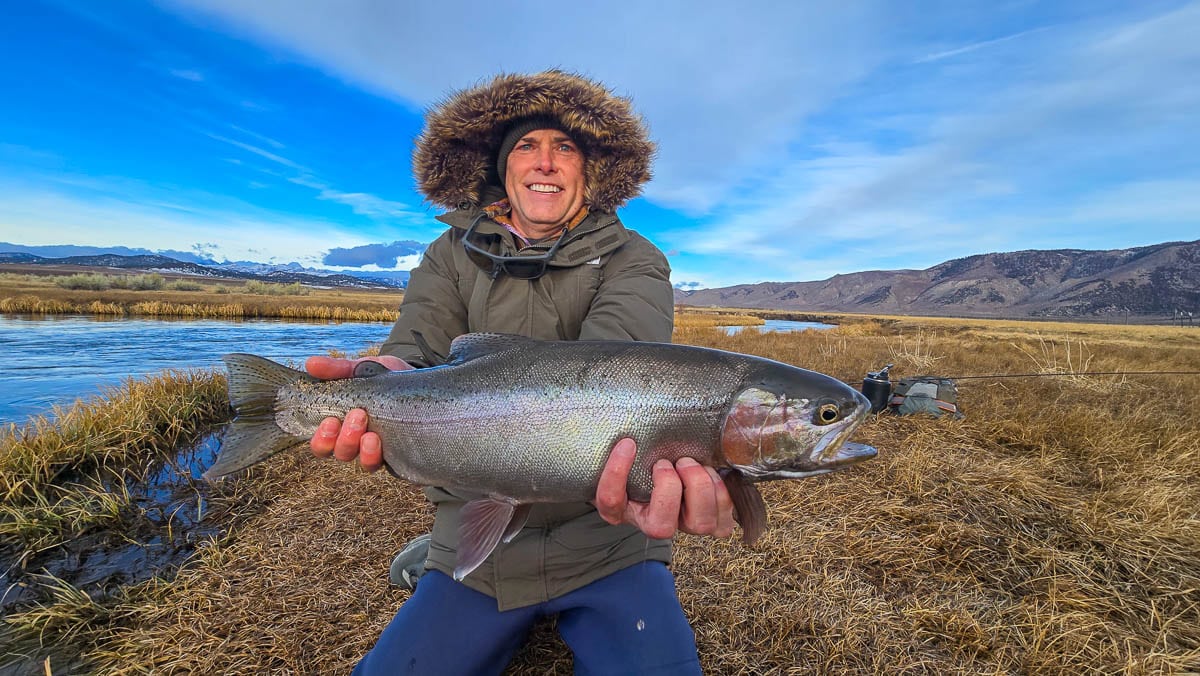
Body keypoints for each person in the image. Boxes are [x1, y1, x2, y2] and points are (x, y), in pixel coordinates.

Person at [305, 70, 734, 675]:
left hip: (610, 541)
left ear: (590, 174)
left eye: (566, 148)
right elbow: (415, 353)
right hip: (474, 534)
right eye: (527, 146)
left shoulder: (636, 258)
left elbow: (611, 375)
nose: (547, 161)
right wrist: (380, 377)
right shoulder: (448, 254)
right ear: (501, 170)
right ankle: (436, 561)